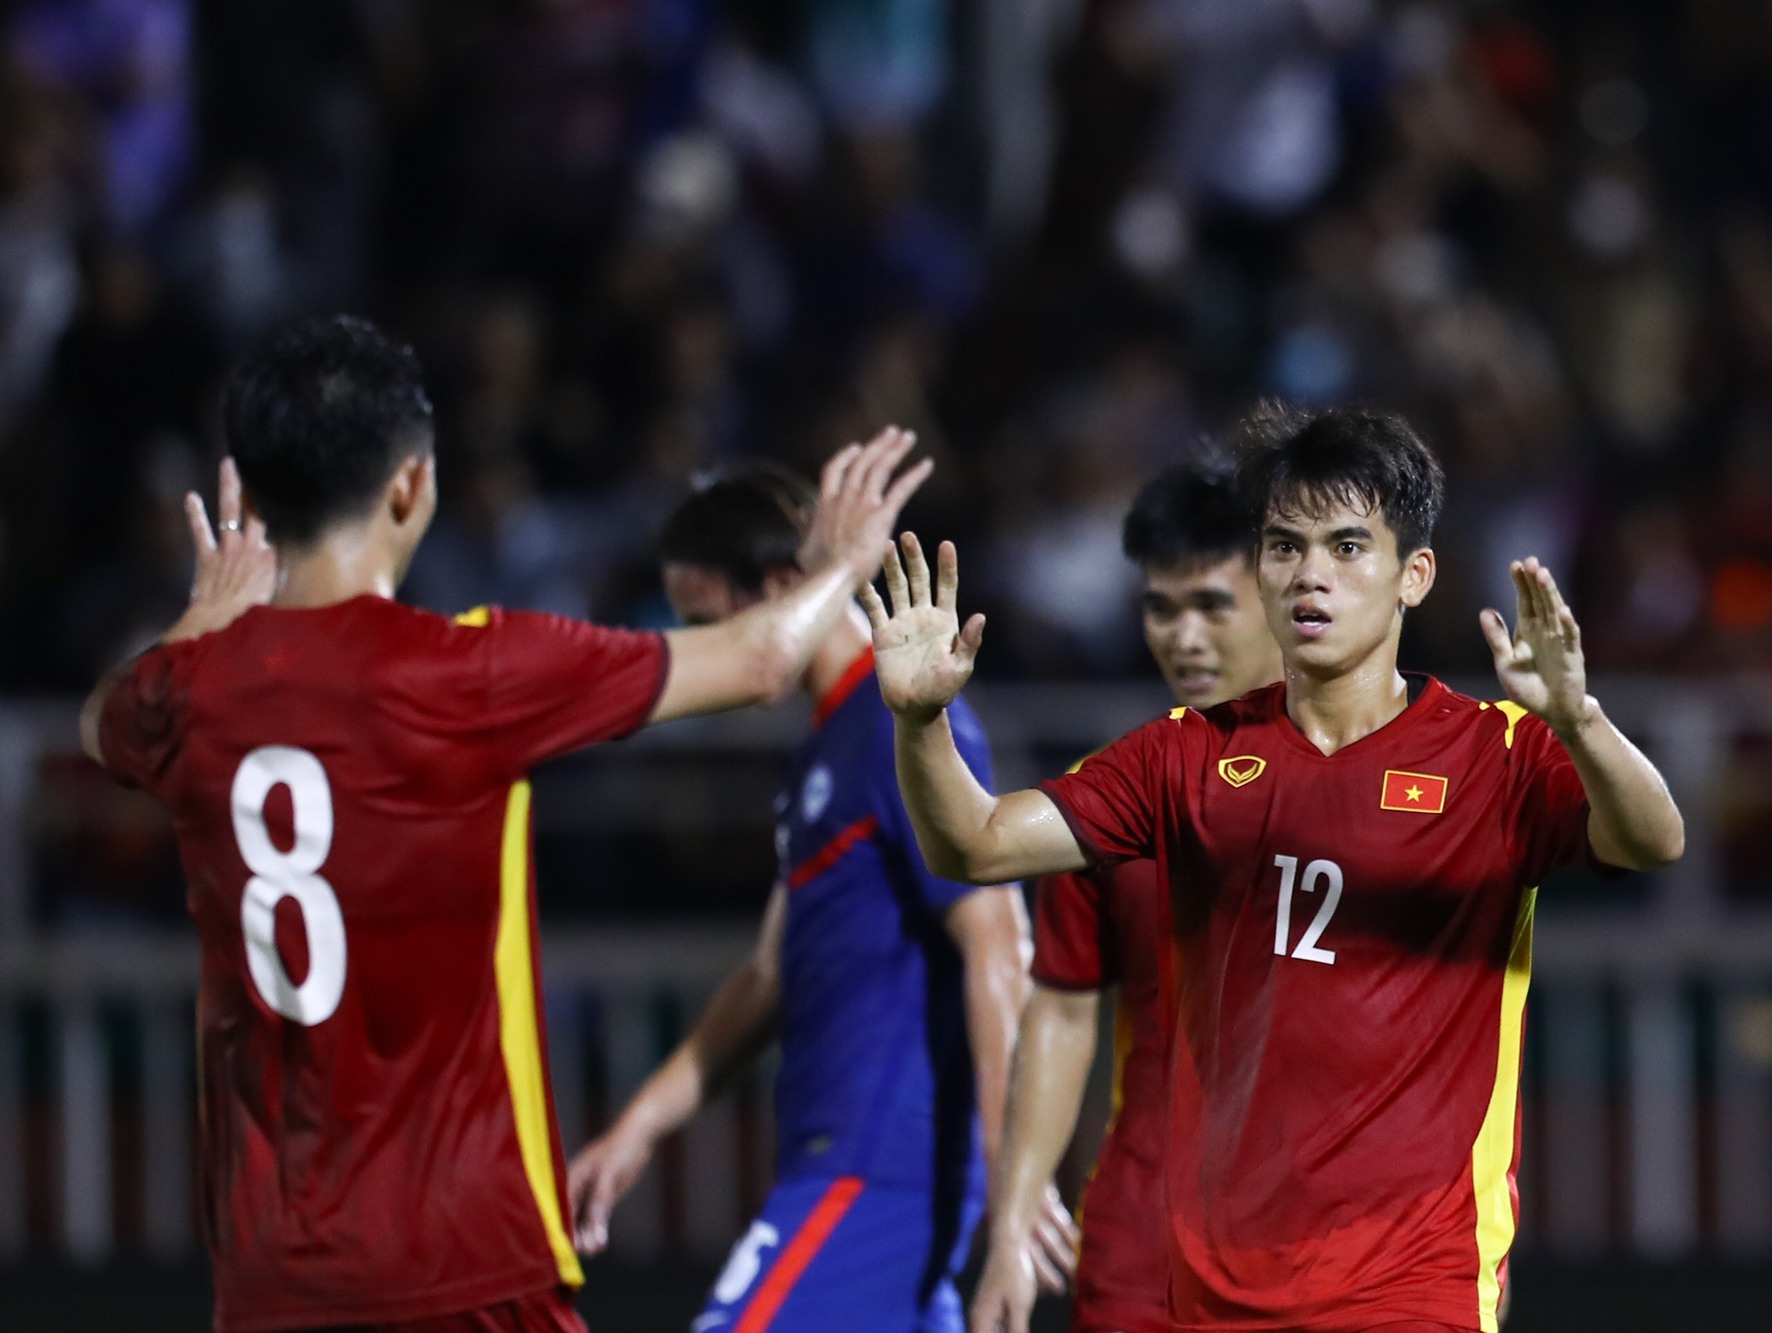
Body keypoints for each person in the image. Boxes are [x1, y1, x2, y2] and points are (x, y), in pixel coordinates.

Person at [78, 314, 931, 1333]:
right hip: (463, 1261)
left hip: (271, 1281)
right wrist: (838, 561)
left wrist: (205, 615)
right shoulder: (467, 668)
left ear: (251, 499)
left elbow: (102, 721)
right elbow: (757, 660)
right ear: (410, 487)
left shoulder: (190, 691)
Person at [862, 404, 1686, 1333]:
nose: (1311, 575)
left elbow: (1654, 838)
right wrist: (921, 722)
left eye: (1346, 547)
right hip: (1215, 1290)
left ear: (1414, 576)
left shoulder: (1493, 755)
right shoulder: (1185, 756)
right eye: (1285, 547)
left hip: (1415, 1283)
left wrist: (1580, 722)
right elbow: (971, 843)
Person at [564, 464, 1074, 1333]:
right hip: (844, 1162)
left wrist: (1011, 1172)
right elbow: (770, 974)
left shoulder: (899, 725)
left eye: (703, 623)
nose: (697, 656)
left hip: (881, 1164)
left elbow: (996, 938)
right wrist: (639, 1126)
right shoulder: (822, 750)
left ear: (779, 590)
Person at [972, 460, 1282, 1333]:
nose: (1183, 636)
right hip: (1144, 1249)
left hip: (1324, 1254)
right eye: (1161, 607)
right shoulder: (1101, 802)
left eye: (1211, 605)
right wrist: (1012, 1217)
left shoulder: (1370, 788)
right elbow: (1064, 1011)